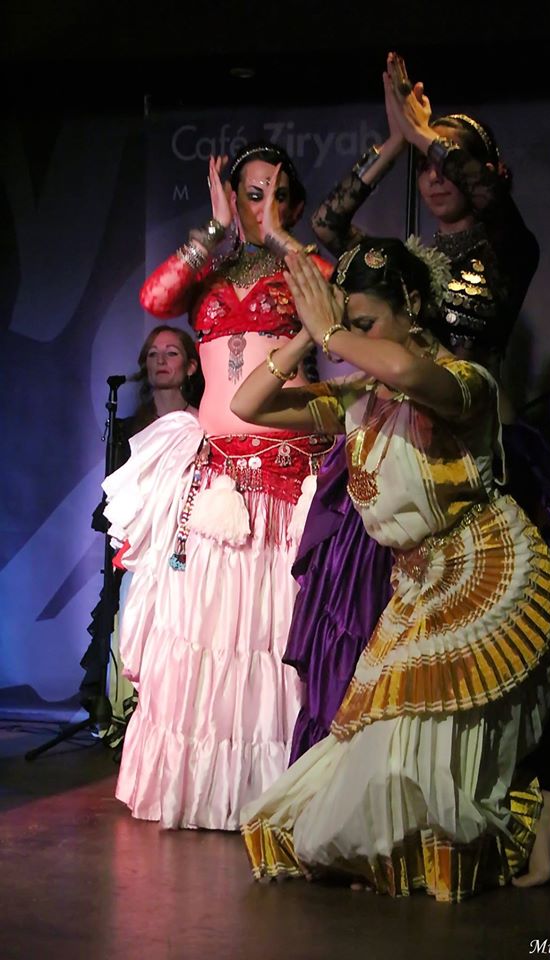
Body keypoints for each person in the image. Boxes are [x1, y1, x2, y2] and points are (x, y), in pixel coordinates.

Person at [233, 238, 550, 900]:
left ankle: (541, 815)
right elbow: (249, 406)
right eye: (345, 326)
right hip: (415, 588)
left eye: (364, 324)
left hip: (484, 575)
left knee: (431, 773)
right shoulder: (356, 397)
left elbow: (411, 372)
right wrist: (307, 334)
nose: (348, 341)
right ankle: (523, 810)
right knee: (356, 784)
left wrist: (333, 331)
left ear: (411, 305)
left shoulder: (463, 381)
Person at [284, 52, 550, 768]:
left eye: (451, 162)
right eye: (427, 168)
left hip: (478, 461)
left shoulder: (509, 250)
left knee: (495, 659)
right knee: (375, 637)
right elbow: (328, 224)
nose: (436, 177)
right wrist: (395, 142)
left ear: (487, 174)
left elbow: (491, 200)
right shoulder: (406, 264)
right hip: (399, 456)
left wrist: (428, 136)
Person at [102, 142, 332, 830]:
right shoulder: (210, 271)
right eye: (252, 195)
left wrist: (282, 240)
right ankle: (206, 792)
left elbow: (339, 306)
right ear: (233, 199)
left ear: (296, 205)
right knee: (208, 637)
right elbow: (154, 298)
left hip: (284, 477)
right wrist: (214, 229)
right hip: (218, 480)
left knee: (269, 636)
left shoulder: (304, 267)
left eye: (278, 195)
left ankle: (280, 792)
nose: (265, 208)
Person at [81, 324, 203, 736]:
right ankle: (130, 720)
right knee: (133, 627)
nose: (161, 361)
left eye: (171, 353)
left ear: (190, 366)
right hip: (138, 556)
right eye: (153, 354)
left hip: (184, 552)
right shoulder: (130, 429)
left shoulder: (203, 424)